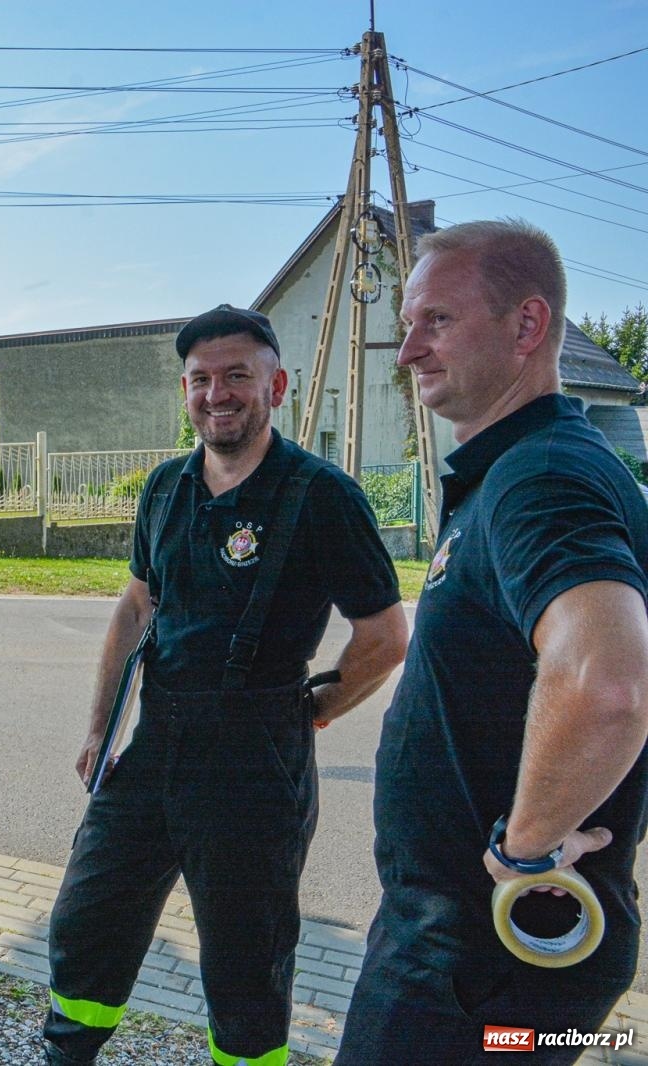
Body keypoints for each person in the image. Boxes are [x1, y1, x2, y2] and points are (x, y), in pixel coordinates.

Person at [43, 304, 408, 1066]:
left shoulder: (320, 496)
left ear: (276, 385)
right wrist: (99, 728)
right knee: (87, 921)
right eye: (201, 379)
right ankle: (68, 1053)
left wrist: (314, 709)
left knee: (245, 963)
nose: (219, 394)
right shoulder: (165, 489)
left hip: (255, 762)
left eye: (238, 376)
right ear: (186, 391)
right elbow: (137, 606)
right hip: (156, 745)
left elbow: (383, 636)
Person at [338, 221, 648, 1063]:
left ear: (527, 325)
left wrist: (527, 850)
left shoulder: (540, 476)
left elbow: (607, 686)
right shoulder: (530, 468)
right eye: (409, 324)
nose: (408, 352)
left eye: (436, 321)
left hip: (475, 969)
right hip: (492, 967)